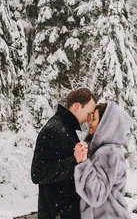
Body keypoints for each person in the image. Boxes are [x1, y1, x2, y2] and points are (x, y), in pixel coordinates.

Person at [31, 88, 97, 219]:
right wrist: (74, 160)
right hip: (57, 214)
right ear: (77, 107)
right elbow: (37, 174)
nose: (89, 119)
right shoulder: (54, 130)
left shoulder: (65, 128)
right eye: (89, 113)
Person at [74, 101, 132, 219]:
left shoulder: (107, 152)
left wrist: (84, 163)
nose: (89, 122)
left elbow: (96, 196)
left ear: (105, 125)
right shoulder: (114, 150)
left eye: (94, 119)